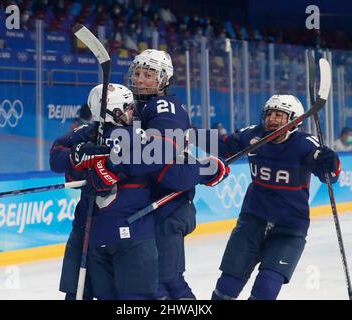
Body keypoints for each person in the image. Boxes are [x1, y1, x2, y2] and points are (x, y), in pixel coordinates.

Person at [50, 82, 228, 299]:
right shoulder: (138, 138)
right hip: (132, 232)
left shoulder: (87, 136)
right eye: (129, 107)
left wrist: (83, 159)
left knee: (85, 293)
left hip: (92, 232)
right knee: (149, 292)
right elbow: (174, 174)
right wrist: (208, 169)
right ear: (116, 112)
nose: (134, 111)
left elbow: (59, 158)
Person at [92, 49, 229, 299]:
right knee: (152, 284)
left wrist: (116, 167)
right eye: (138, 73)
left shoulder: (164, 106)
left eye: (149, 74)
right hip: (149, 209)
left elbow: (159, 151)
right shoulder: (132, 106)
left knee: (166, 283)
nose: (141, 79)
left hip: (170, 206)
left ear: (164, 79)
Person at [210, 94, 341, 300]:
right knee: (227, 286)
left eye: (279, 115)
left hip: (289, 229)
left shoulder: (305, 145)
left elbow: (330, 177)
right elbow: (221, 145)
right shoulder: (253, 136)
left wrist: (330, 161)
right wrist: (187, 134)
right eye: (269, 114)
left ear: (294, 121)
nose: (272, 119)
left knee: (266, 288)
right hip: (252, 222)